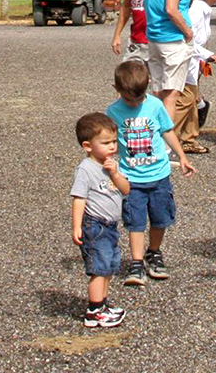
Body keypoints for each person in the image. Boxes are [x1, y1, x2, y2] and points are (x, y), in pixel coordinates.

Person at [106, 60, 195, 288]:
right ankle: (136, 262)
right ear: (117, 90)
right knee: (135, 222)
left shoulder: (155, 105)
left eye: (138, 98)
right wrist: (106, 169)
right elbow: (108, 143)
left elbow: (167, 131)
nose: (134, 103)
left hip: (159, 175)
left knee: (160, 218)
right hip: (131, 178)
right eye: (128, 99)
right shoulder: (113, 112)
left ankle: (153, 252)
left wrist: (182, 156)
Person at [70, 112, 130, 329]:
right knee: (99, 268)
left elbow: (125, 189)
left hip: (111, 224)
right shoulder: (86, 169)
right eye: (105, 143)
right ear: (88, 146)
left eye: (114, 141)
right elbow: (79, 198)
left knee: (109, 266)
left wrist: (115, 173)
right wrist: (76, 226)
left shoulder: (113, 164)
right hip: (94, 224)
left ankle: (103, 304)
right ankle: (94, 310)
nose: (112, 147)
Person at [142, 0, 195, 119]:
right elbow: (171, 9)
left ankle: (156, 137)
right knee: (171, 95)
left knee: (157, 92)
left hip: (154, 38)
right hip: (172, 40)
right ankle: (167, 145)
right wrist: (188, 32)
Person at [172, 0, 216, 154]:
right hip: (185, 61)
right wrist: (209, 55)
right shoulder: (196, 12)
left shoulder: (203, 9)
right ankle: (167, 140)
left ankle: (189, 138)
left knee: (192, 99)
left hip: (194, 62)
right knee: (185, 100)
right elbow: (188, 41)